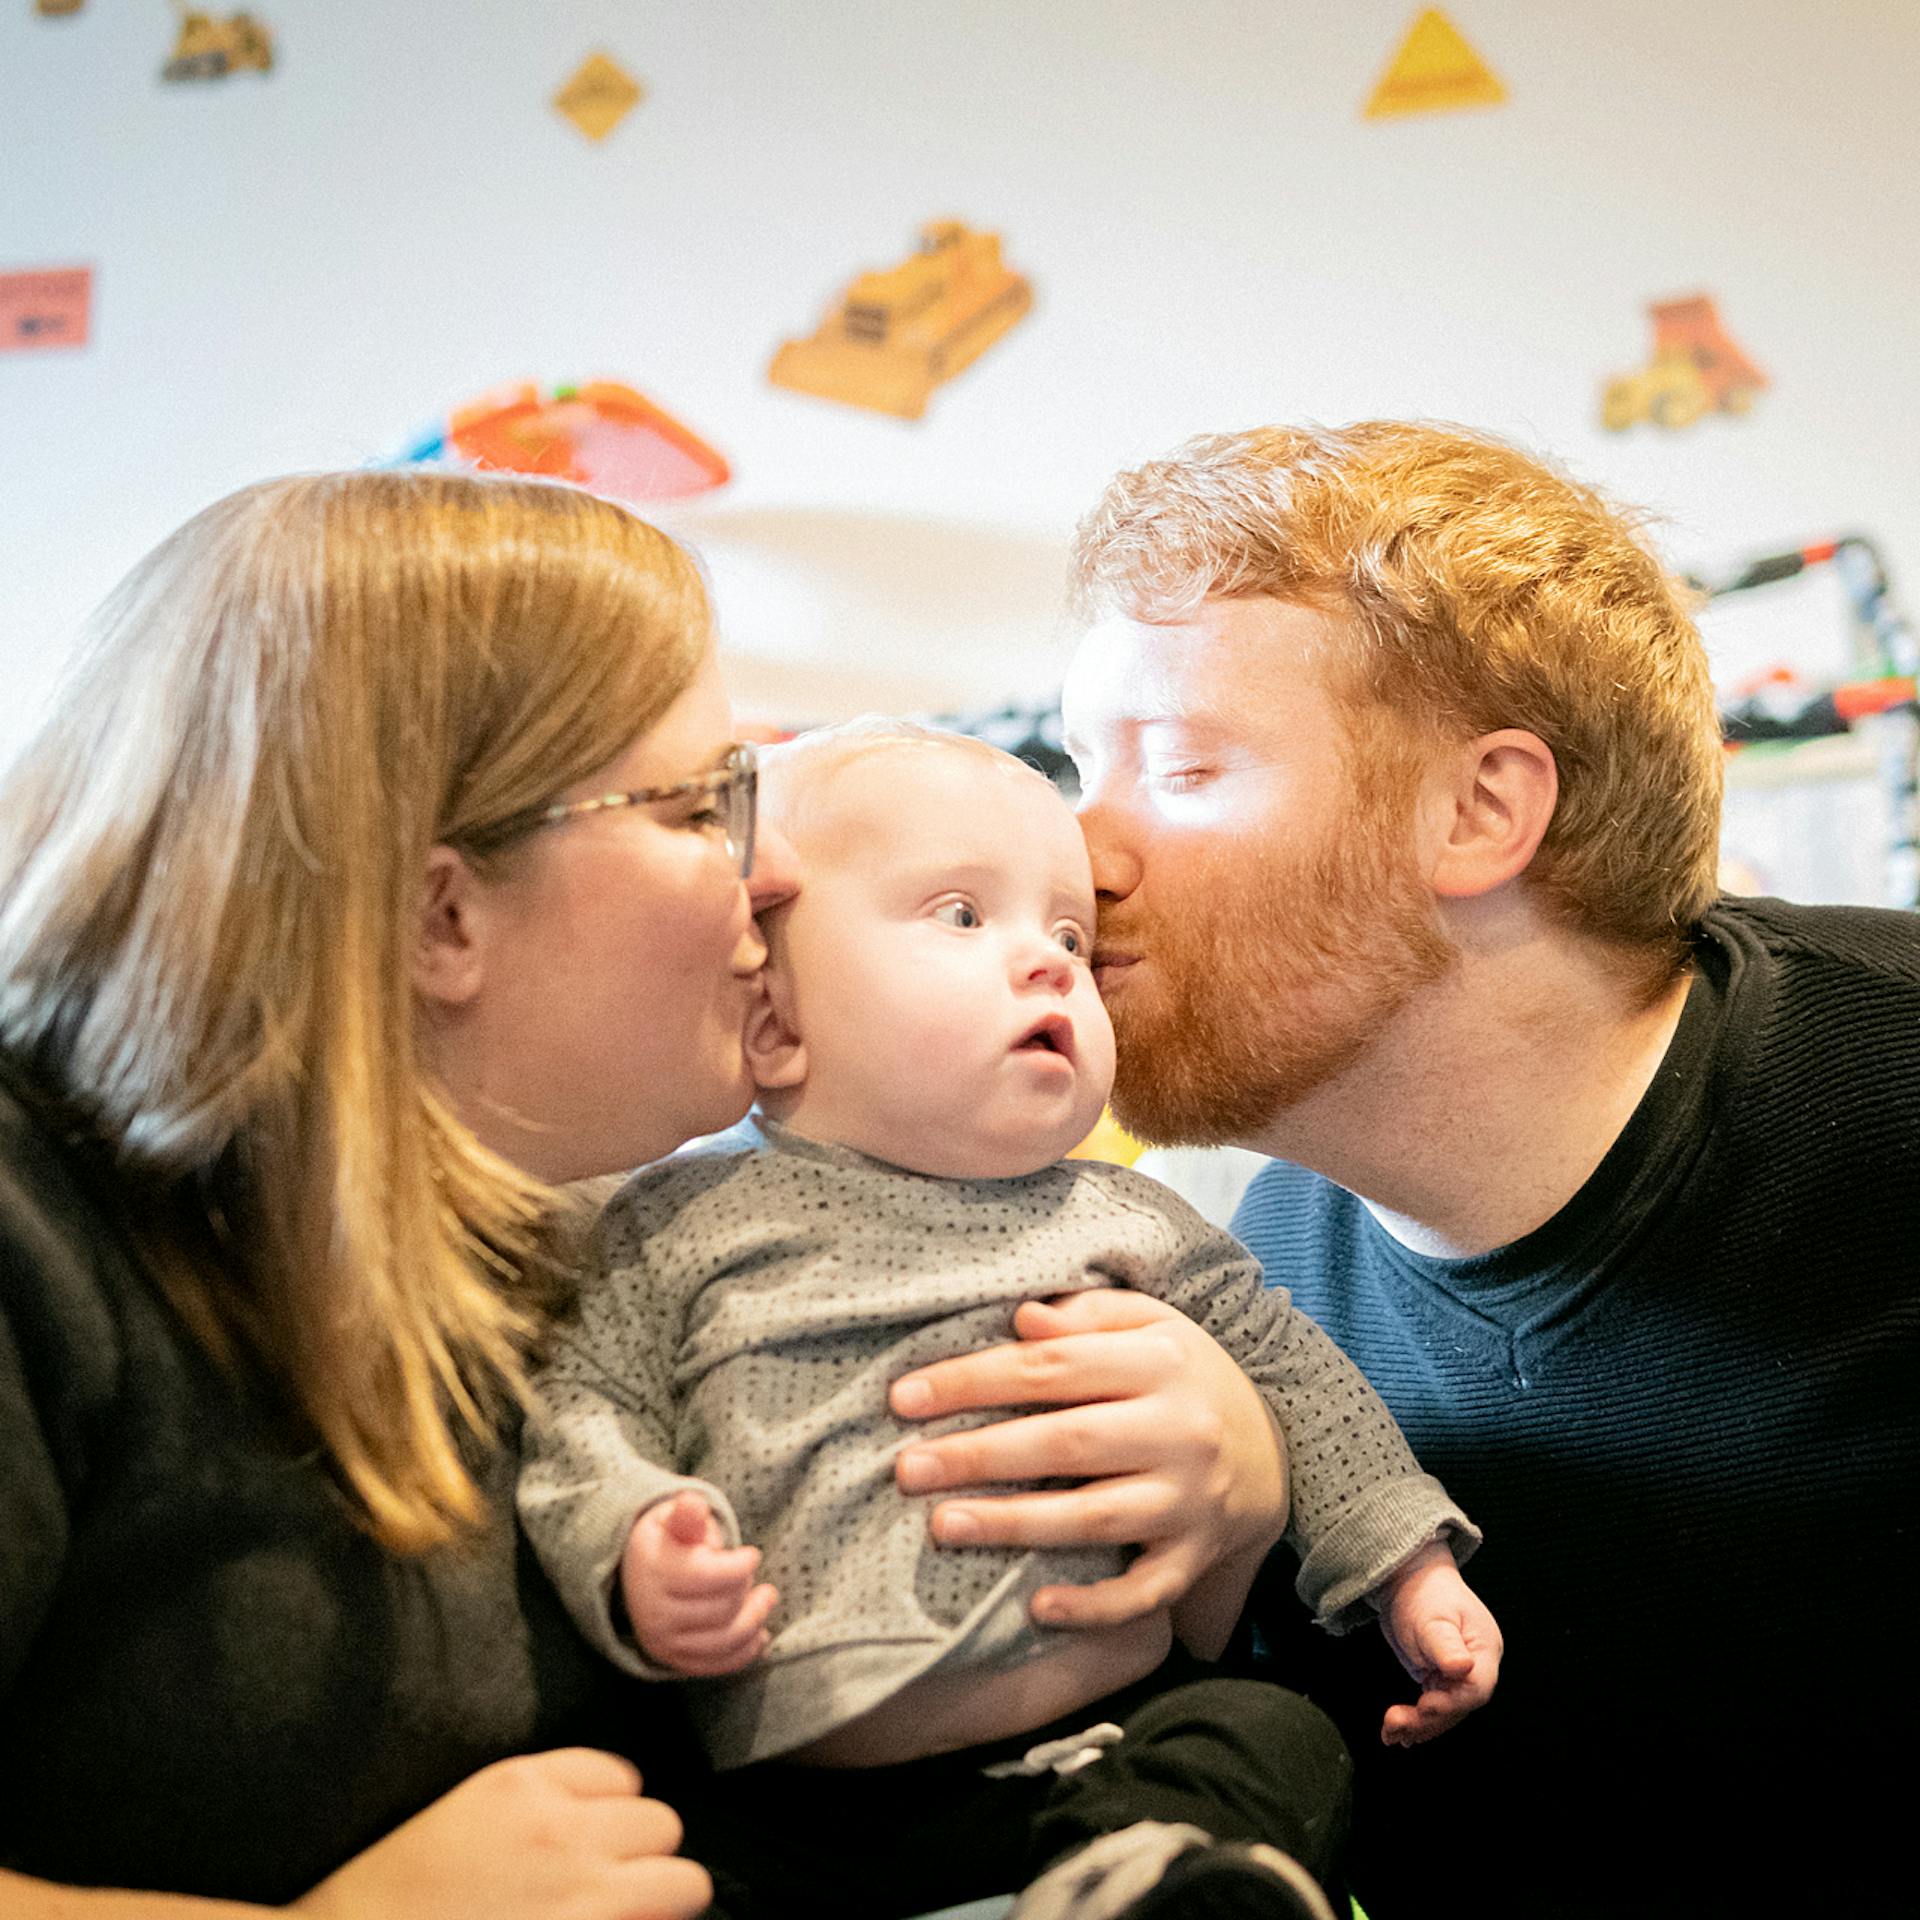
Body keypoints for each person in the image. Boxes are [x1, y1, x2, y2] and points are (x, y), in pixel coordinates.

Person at [0, 469, 1302, 1920]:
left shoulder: (569, 1251)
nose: (777, 871)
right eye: (705, 804)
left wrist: (1234, 1488)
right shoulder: (34, 1235)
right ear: (443, 914)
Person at [1058, 420, 1920, 1914]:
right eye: (1079, 771)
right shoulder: (1261, 1277)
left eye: (1182, 767)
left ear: (1482, 812)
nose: (1079, 856)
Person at [518, 722, 1503, 1920]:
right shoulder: (675, 1222)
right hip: (791, 1802)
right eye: (960, 916)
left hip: (1107, 1750)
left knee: (1273, 1734)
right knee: (647, 1850)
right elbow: (585, 1409)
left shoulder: (1133, 1221)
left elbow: (1302, 1384)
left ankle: (1150, 1892)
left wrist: (1405, 1564)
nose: (1048, 964)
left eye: (1073, 938)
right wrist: (633, 1543)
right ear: (773, 1021)